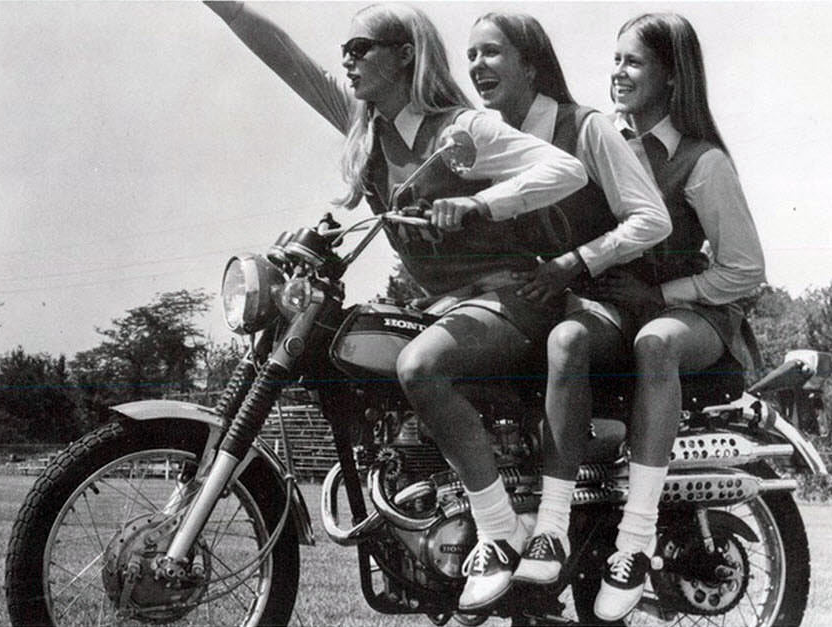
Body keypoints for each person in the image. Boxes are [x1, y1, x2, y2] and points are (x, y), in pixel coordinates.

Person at [203, 2, 588, 612]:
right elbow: (286, 58)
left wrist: (484, 205)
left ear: (406, 53)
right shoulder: (368, 128)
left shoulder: (462, 131)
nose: (348, 58)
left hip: (510, 294)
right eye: (346, 50)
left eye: (363, 47)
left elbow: (566, 170)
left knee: (419, 367)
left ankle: (499, 533)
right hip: (446, 305)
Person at [462, 12, 671, 587]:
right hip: (537, 300)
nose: (478, 66)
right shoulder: (480, 141)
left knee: (568, 339)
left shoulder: (586, 127)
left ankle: (551, 526)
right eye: (471, 54)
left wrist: (576, 262)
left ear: (532, 64)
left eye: (492, 53)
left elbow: (652, 219)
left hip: (606, 301)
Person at [589, 13, 766, 621]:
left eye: (633, 62)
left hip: (694, 316)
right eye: (614, 60)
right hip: (618, 309)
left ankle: (635, 538)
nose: (618, 72)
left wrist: (661, 297)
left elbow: (744, 271)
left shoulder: (702, 160)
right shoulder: (600, 143)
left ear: (671, 77)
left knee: (655, 344)